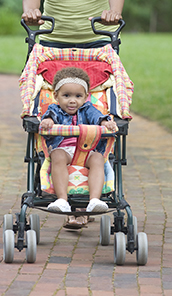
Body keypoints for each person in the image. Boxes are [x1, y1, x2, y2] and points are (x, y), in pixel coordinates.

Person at [40, 67, 117, 213]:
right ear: (56, 96)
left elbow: (97, 117)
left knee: (98, 158)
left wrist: (104, 123)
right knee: (57, 155)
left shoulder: (88, 109)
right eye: (66, 95)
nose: (72, 101)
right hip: (65, 150)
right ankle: (62, 199)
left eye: (78, 96)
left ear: (86, 97)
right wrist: (48, 121)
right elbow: (50, 115)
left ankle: (94, 200)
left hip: (87, 150)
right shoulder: (55, 109)